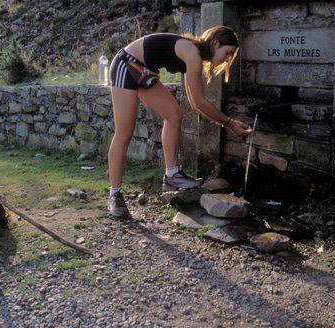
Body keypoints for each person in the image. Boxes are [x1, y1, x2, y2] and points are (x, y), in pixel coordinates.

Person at [106, 27, 252, 218]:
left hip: (144, 70)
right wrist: (229, 122)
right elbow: (200, 102)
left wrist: (227, 123)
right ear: (216, 43)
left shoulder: (193, 55)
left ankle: (172, 176)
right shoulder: (192, 53)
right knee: (124, 132)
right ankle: (115, 194)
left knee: (175, 114)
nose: (227, 59)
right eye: (227, 53)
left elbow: (195, 104)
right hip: (126, 64)